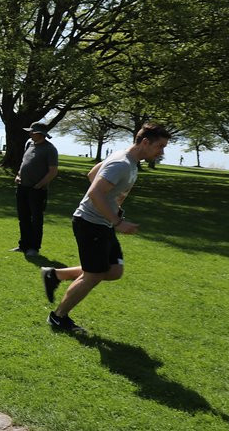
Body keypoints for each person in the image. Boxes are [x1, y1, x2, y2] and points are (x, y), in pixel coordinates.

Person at [40, 123, 171, 333]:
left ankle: (55, 275)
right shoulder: (122, 163)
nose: (162, 151)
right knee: (93, 275)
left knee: (114, 271)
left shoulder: (128, 159)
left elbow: (92, 174)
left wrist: (112, 208)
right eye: (160, 146)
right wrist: (118, 221)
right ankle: (58, 317)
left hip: (102, 222)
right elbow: (94, 192)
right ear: (145, 142)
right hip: (90, 223)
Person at [12, 122, 59, 257]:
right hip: (22, 188)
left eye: (32, 132)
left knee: (36, 220)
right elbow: (23, 163)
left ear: (41, 134)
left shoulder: (50, 149)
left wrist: (40, 185)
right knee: (23, 218)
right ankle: (23, 245)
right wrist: (18, 175)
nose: (30, 133)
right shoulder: (29, 144)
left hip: (37, 191)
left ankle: (34, 248)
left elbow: (53, 171)